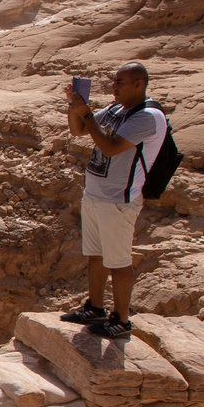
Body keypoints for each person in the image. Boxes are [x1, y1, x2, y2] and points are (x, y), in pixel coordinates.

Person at [61, 62, 168, 343]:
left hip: (119, 199)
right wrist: (74, 107)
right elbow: (79, 130)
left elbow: (109, 146)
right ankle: (95, 308)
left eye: (120, 82)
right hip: (96, 194)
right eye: (114, 81)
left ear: (139, 84)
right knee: (96, 255)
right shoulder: (116, 109)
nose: (114, 87)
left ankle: (121, 319)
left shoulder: (147, 116)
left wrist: (86, 113)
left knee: (119, 262)